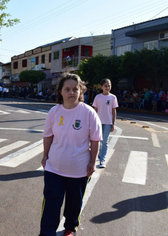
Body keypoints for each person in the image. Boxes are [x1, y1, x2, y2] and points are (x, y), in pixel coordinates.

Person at [40, 73, 102, 236]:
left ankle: (69, 228)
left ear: (81, 91)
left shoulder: (89, 113)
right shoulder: (54, 112)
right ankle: (47, 232)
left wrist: (93, 162)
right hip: (54, 167)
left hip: (79, 169)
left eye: (75, 89)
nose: (71, 92)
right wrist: (45, 155)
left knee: (74, 203)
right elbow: (48, 136)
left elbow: (95, 140)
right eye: (67, 89)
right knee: (51, 202)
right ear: (60, 91)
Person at [92, 78, 118, 168]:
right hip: (98, 122)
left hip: (108, 122)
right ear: (102, 87)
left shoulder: (113, 97)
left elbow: (113, 111)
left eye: (109, 86)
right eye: (105, 86)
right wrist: (93, 122)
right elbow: (95, 110)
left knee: (105, 142)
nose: (107, 87)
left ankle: (102, 160)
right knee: (98, 140)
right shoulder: (98, 97)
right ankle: (99, 154)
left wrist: (113, 123)